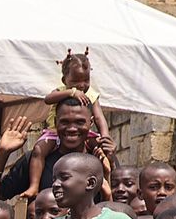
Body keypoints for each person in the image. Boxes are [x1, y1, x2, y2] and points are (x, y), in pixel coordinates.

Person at [23, 50, 111, 200]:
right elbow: (48, 99)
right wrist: (71, 92)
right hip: (53, 133)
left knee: (103, 150)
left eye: (86, 80)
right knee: (38, 151)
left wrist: (105, 137)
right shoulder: (62, 91)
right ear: (64, 80)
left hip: (86, 134)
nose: (81, 86)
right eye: (76, 81)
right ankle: (34, 185)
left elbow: (99, 117)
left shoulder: (92, 95)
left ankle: (106, 180)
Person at [0, 99, 111, 199]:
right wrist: (3, 153)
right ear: (55, 122)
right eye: (64, 122)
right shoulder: (35, 162)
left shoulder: (102, 160)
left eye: (79, 122)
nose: (72, 128)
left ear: (91, 122)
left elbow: (117, 203)